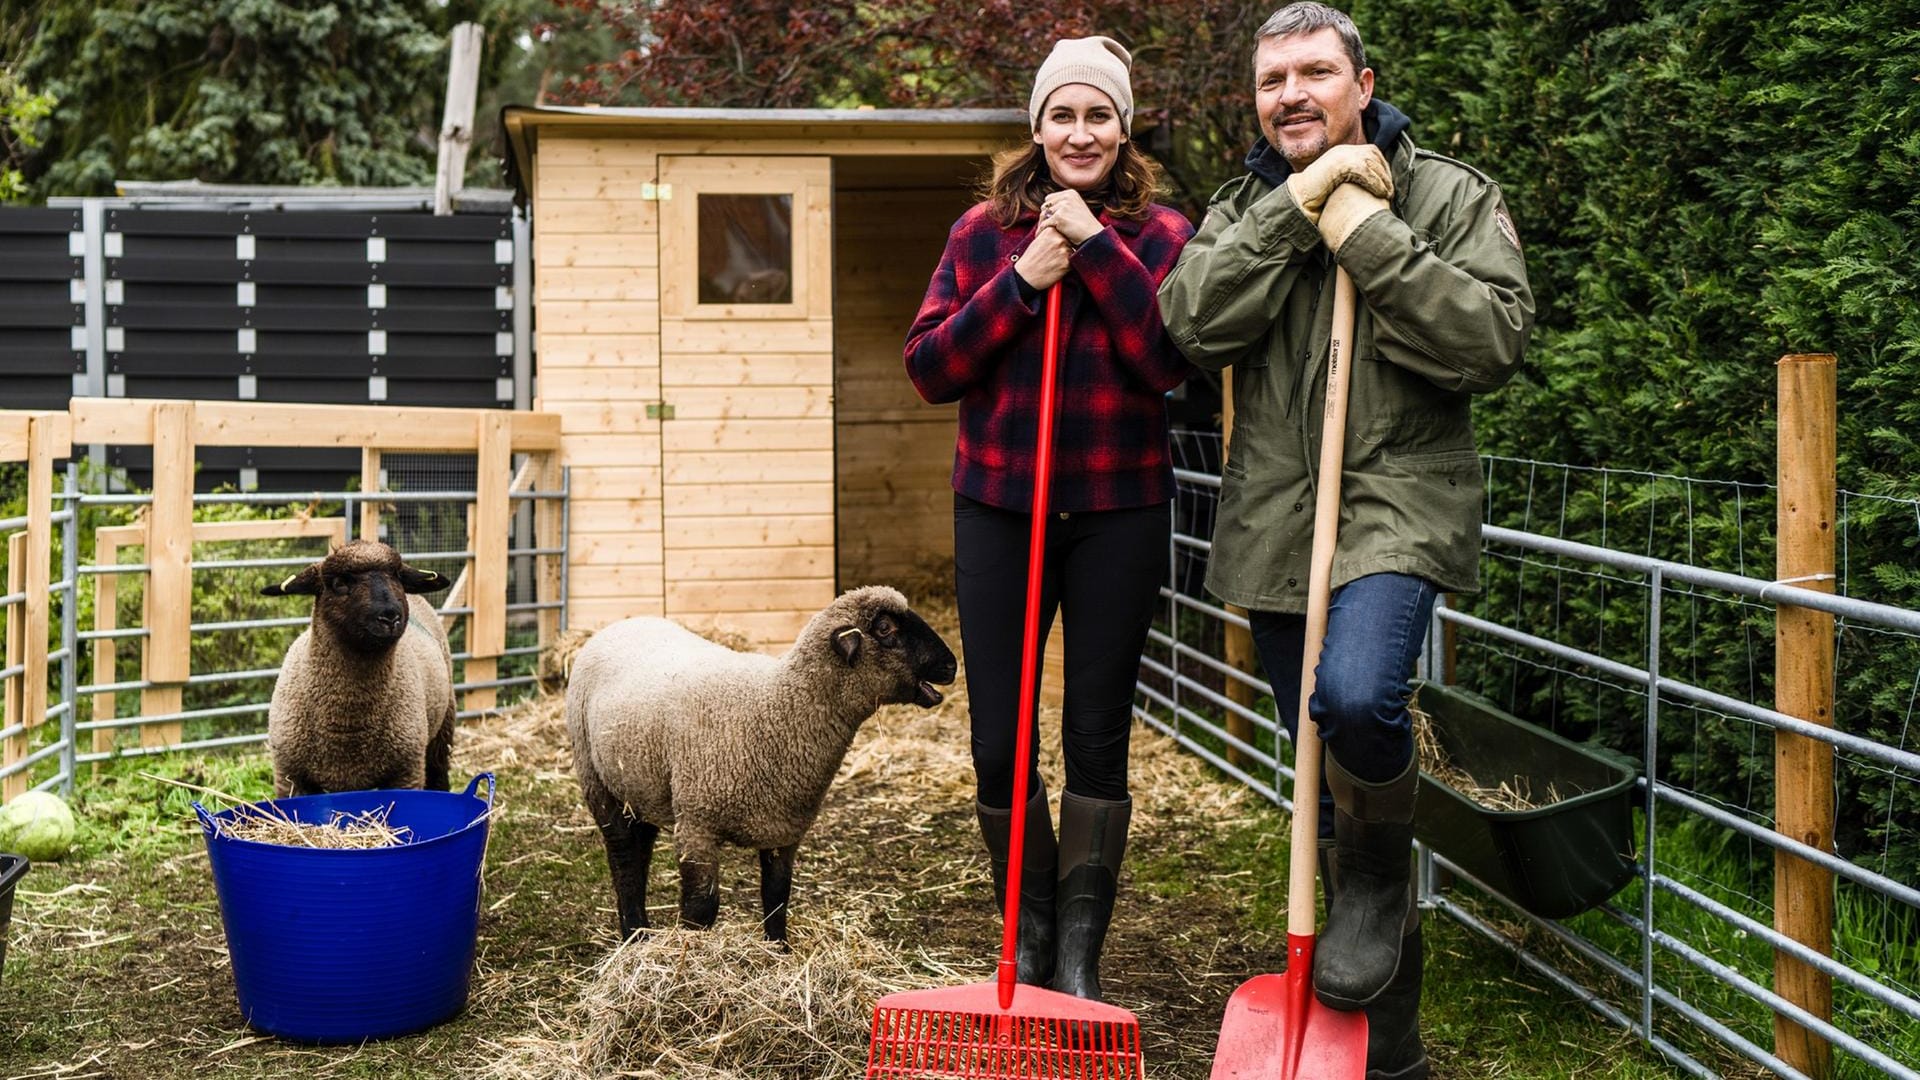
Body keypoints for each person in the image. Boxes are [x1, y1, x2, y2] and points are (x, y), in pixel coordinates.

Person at [1157, 4, 1532, 1077]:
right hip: (1280, 523)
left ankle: (1376, 872)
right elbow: (1190, 324)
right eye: (1274, 79)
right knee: (1323, 774)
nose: (1292, 94)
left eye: (1316, 72)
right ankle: (1393, 1054)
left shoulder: (1448, 195)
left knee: (1361, 696)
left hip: (1399, 505)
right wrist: (1295, 212)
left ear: (1363, 85)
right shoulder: (1242, 203)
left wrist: (1365, 234)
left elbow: (1491, 340)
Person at [903, 35, 1193, 1003]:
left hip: (1119, 511)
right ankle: (1023, 927)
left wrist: (1097, 250)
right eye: (1063, 114)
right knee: (1000, 736)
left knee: (1098, 733)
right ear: (1036, 127)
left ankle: (1079, 948)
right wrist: (1026, 276)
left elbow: (1166, 364)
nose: (1080, 131)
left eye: (1099, 114)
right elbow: (933, 367)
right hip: (1000, 509)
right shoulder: (980, 233)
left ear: (1124, 128)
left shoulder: (1161, 235)